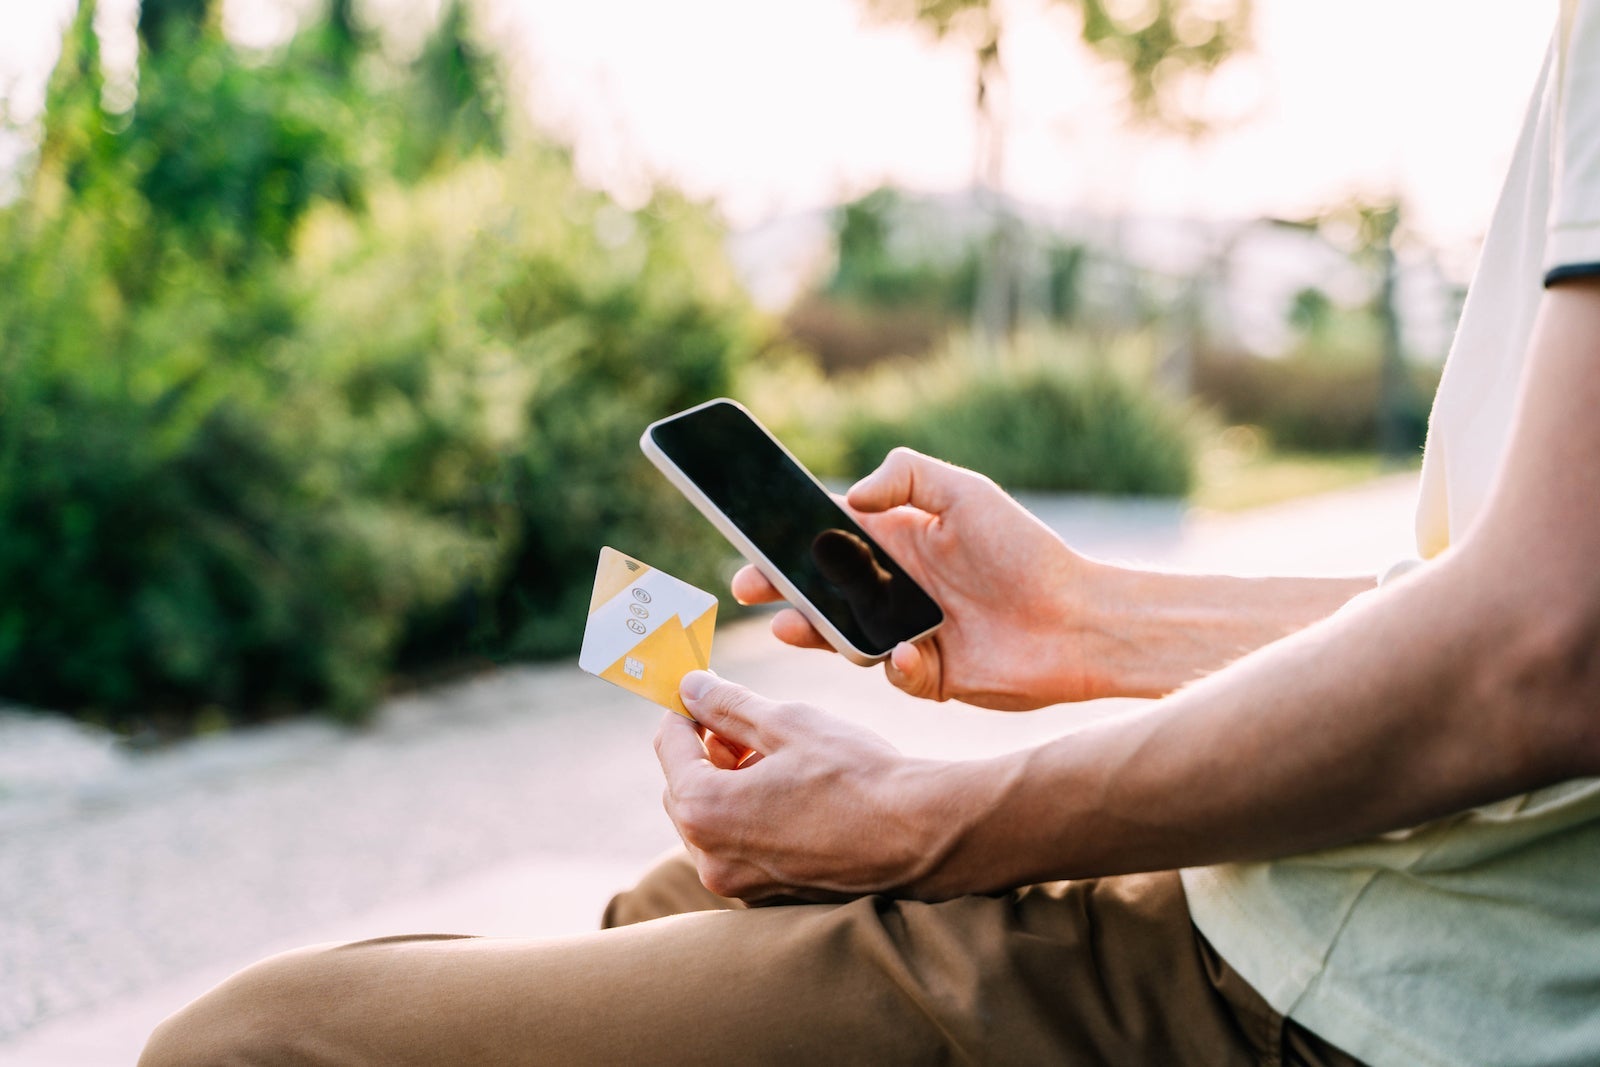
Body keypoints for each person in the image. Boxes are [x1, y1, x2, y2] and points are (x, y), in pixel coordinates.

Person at [141, 6, 1600, 1066]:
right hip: (1328, 898)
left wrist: (923, 824)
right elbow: (1520, 588)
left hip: (1364, 993)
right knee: (659, 900)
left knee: (257, 1045)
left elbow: (1546, 651)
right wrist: (1088, 619)